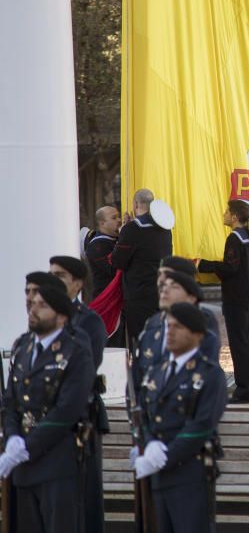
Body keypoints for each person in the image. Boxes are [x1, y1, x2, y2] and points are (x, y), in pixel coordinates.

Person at [0, 285, 95, 533]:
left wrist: (26, 446)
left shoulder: (75, 351)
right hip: (24, 466)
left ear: (62, 315)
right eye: (32, 305)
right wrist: (12, 439)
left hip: (57, 464)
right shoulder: (23, 348)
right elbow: (11, 402)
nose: (33, 310)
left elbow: (67, 410)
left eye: (43, 306)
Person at [134, 302, 227, 533]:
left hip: (189, 474)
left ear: (197, 334)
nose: (170, 332)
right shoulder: (158, 369)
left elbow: (203, 423)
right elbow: (145, 413)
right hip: (157, 475)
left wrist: (166, 454)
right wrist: (148, 443)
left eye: (178, 327)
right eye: (168, 326)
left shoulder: (209, 373)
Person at [48, 255, 109, 533]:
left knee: (83, 502)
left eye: (60, 276)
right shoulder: (44, 320)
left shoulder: (90, 322)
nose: (53, 282)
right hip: (46, 422)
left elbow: (84, 371)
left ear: (78, 283)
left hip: (78, 421)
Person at [198, 200, 249, 404]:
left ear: (235, 217)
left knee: (239, 345)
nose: (225, 214)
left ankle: (243, 390)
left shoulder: (234, 239)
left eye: (227, 212)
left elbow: (230, 267)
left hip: (236, 297)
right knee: (248, 343)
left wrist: (204, 265)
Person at [133, 270, 221, 386]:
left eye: (174, 287)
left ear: (191, 298)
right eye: (164, 285)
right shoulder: (150, 332)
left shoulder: (204, 332)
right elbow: (138, 380)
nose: (164, 290)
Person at [112, 189, 173, 343]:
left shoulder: (132, 229)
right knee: (159, 340)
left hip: (138, 294)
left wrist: (123, 232)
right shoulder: (165, 227)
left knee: (140, 341)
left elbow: (118, 261)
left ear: (136, 204)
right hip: (160, 290)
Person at [85, 205, 122, 298]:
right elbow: (113, 269)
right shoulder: (96, 246)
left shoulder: (117, 239)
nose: (119, 220)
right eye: (114, 218)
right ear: (102, 223)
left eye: (119, 216)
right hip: (106, 298)